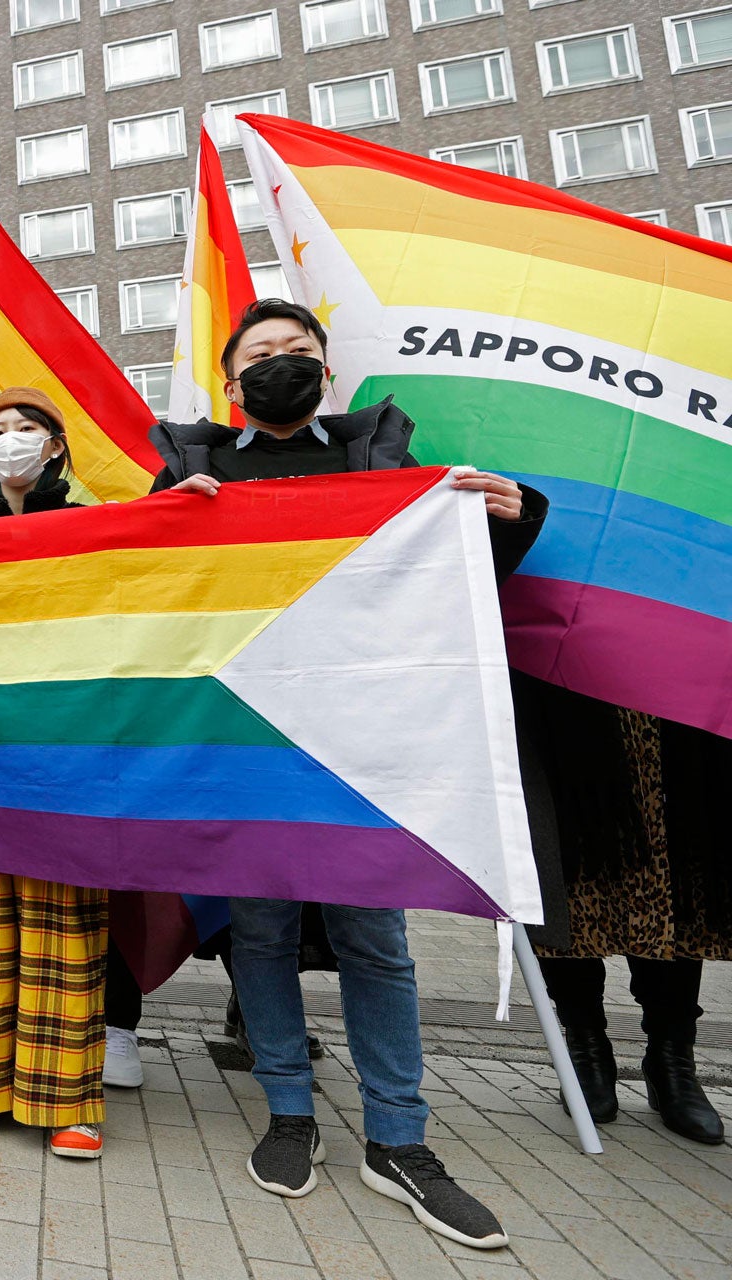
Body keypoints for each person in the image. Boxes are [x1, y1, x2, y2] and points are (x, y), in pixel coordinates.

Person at [151, 299, 545, 1249]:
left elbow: (449, 585)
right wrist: (166, 519)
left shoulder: (383, 464)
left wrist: (511, 520)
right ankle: (289, 1112)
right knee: (263, 935)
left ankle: (399, 1138)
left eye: (300, 352)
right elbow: (148, 595)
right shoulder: (195, 469)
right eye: (263, 354)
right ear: (229, 374)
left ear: (327, 371)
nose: (282, 364)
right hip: (247, 742)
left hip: (368, 743)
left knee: (378, 940)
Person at [0, 388, 107, 1160]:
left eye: (24, 428)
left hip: (66, 757)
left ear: (56, 446)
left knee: (61, 929)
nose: (9, 440)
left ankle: (66, 1100)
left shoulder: (93, 528)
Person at [523, 684, 728, 1144]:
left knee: (671, 877)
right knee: (570, 881)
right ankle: (587, 1050)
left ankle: (673, 1059)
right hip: (566, 683)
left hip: (665, 688)